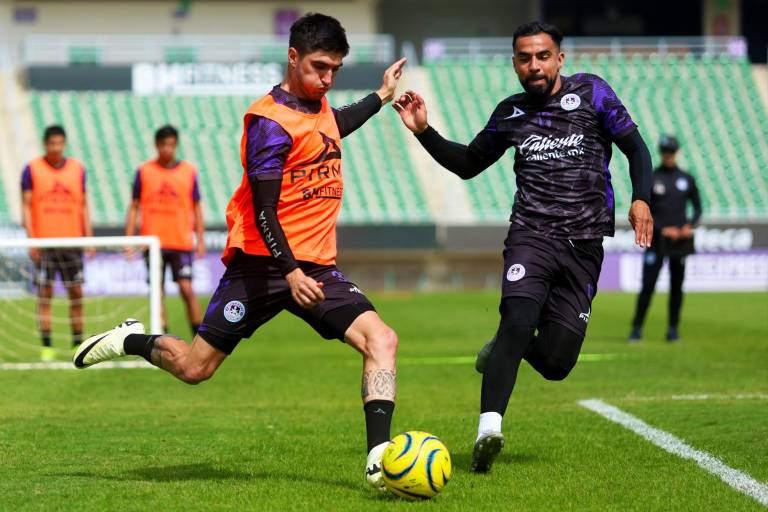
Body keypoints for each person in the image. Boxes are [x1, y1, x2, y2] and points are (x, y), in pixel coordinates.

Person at [74, 13, 406, 489]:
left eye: (334, 69)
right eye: (318, 67)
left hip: (315, 269)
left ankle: (380, 461)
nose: (327, 78)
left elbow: (336, 125)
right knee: (194, 368)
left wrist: (380, 95)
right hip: (262, 267)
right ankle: (131, 339)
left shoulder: (320, 109)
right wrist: (289, 270)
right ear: (293, 57)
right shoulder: (268, 123)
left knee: (383, 340)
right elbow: (265, 210)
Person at [393, 20, 653, 473]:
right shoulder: (511, 112)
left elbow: (637, 149)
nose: (534, 65)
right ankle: (487, 430)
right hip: (531, 236)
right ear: (514, 62)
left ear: (560, 59)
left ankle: (501, 348)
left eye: (542, 56)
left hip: (585, 244)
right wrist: (424, 130)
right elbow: (470, 163)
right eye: (524, 58)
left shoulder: (592, 93)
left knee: (555, 362)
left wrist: (641, 198)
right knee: (517, 318)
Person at [21, 125, 93, 361]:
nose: (56, 148)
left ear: (65, 143)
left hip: (72, 241)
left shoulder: (78, 169)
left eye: (60, 143)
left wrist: (89, 237)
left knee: (76, 291)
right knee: (45, 293)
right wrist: (31, 239)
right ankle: (47, 347)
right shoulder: (32, 170)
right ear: (45, 144)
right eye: (52, 143)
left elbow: (83, 206)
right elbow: (26, 207)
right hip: (45, 243)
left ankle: (77, 342)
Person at [125, 125, 205, 335]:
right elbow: (134, 206)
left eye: (171, 145)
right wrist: (129, 238)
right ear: (156, 145)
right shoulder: (144, 171)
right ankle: (163, 337)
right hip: (153, 242)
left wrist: (201, 239)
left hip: (181, 241)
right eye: (163, 145)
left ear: (176, 145)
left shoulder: (189, 171)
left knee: (187, 289)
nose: (167, 149)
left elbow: (196, 206)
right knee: (157, 293)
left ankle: (199, 338)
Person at [629, 135, 701, 342]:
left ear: (676, 153)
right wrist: (662, 229)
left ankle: (672, 330)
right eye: (665, 152)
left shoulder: (686, 178)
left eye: (671, 152)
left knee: (677, 287)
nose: (668, 156)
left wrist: (689, 226)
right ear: (661, 153)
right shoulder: (652, 177)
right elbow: (646, 208)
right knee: (648, 286)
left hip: (680, 241)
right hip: (657, 240)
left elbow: (697, 208)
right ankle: (637, 328)